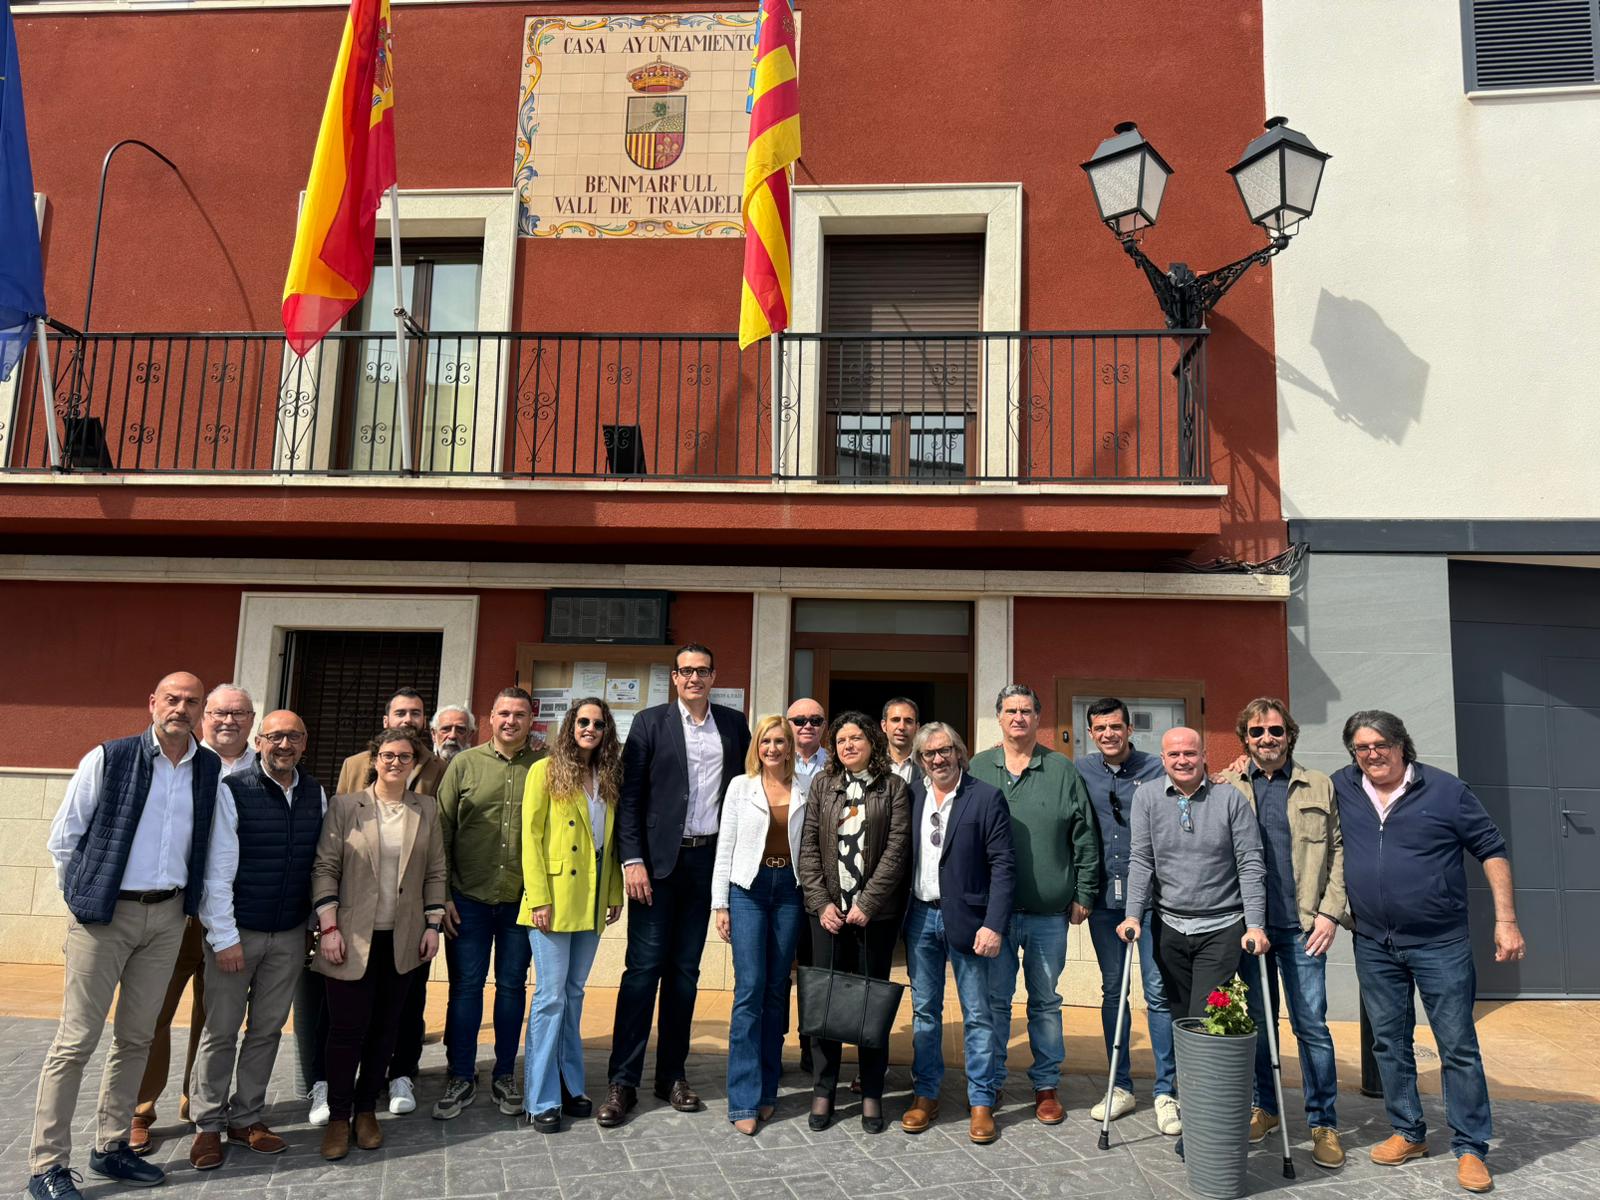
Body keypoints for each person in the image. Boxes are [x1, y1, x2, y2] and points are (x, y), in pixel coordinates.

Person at [30, 672, 220, 1200]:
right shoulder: (108, 757)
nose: (181, 708)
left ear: (202, 710)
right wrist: (87, 903)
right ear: (152, 703)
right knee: (76, 1041)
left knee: (137, 1037)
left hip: (167, 919)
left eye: (192, 702)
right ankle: (47, 1165)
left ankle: (111, 1146)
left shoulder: (207, 769)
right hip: (105, 918)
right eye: (172, 699)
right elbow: (64, 840)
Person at [1333, 710, 1523, 1196]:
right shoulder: (1343, 787)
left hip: (1440, 943)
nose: (1372, 754)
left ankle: (1471, 1147)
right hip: (1375, 942)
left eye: (1380, 744)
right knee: (1389, 1044)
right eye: (1361, 747)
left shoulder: (1445, 791)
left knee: (1457, 1045)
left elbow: (1492, 849)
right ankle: (1409, 1132)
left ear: (1401, 745)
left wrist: (1506, 921)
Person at [599, 644, 752, 1126]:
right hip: (656, 865)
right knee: (643, 971)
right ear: (673, 677)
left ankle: (671, 1076)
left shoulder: (733, 724)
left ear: (713, 676)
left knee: (686, 973)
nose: (693, 678)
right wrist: (632, 859)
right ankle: (622, 1081)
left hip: (706, 862)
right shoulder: (648, 723)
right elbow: (629, 798)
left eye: (702, 671)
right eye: (685, 671)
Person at [187, 710, 326, 1170]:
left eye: (294, 737)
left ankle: (247, 1118)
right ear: (259, 741)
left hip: (287, 934)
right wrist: (223, 936)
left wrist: (311, 925)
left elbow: (317, 865)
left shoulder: (316, 793)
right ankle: (207, 1124)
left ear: (305, 744)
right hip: (237, 932)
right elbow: (218, 870)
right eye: (276, 737)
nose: (285, 745)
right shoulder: (234, 791)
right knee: (221, 1030)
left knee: (266, 1031)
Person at [1218, 699, 1348, 1169]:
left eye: (1275, 731)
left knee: (1311, 1026)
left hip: (1303, 928)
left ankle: (1323, 1123)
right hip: (1249, 928)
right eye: (1256, 732)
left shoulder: (1319, 785)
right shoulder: (1226, 786)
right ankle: (1267, 1109)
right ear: (1244, 739)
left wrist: (1331, 914)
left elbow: (1338, 853)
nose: (1266, 739)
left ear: (1290, 734)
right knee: (1256, 1023)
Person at [131, 683, 258, 1156]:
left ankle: (198, 1101)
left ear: (252, 720)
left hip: (233, 918)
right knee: (153, 1012)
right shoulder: (183, 761)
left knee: (216, 1018)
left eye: (239, 713)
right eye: (220, 712)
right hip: (176, 912)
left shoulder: (264, 767)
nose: (229, 721)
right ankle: (140, 1110)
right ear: (205, 717)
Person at [311, 729, 447, 1161]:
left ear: (414, 763)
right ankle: (338, 1115)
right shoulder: (346, 806)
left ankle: (367, 1109)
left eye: (404, 756)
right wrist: (328, 927)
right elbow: (325, 867)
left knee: (385, 1030)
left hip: (403, 939)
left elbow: (436, 872)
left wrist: (433, 924)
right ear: (374, 759)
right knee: (345, 1030)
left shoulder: (426, 808)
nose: (395, 763)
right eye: (387, 755)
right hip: (349, 938)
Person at [969, 684, 1098, 1127]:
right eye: (1010, 710)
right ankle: (994, 1081)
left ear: (1038, 718)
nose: (1018, 717)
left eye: (1026, 710)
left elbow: (1083, 835)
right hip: (993, 918)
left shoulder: (1062, 770)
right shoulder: (977, 768)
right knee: (995, 1002)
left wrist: (1084, 892)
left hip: (1047, 915)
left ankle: (1046, 1086)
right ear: (999, 718)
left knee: (1045, 1002)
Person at [795, 711, 911, 1134]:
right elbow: (807, 847)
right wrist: (821, 901)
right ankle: (824, 1088)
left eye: (856, 738)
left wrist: (868, 902)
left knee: (869, 1006)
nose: (848, 746)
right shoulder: (823, 786)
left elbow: (897, 851)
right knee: (825, 1002)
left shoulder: (894, 788)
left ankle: (871, 1093)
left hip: (872, 917)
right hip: (825, 915)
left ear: (872, 743)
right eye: (841, 739)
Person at [433, 687, 545, 1121]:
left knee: (513, 988)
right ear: (489, 718)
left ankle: (504, 1074)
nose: (510, 722)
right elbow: (441, 832)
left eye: (519, 715)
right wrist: (440, 896)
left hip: (522, 900)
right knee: (465, 989)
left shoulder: (544, 764)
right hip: (468, 899)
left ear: (531, 720)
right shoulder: (464, 764)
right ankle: (461, 1074)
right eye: (502, 714)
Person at [901, 723, 1013, 1145]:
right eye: (929, 754)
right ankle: (926, 1093)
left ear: (960, 753)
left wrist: (994, 924)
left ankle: (981, 1100)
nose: (938, 759)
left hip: (970, 921)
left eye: (945, 750)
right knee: (925, 1011)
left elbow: (1004, 865)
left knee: (978, 1014)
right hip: (920, 917)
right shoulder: (911, 796)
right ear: (920, 760)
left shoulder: (985, 797)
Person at [519, 699, 624, 1133]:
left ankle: (570, 1085)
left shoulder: (609, 774)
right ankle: (539, 1097)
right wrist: (539, 897)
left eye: (598, 723)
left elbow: (612, 843)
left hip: (593, 896)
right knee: (549, 998)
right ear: (570, 725)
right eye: (583, 721)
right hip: (554, 898)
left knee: (575, 993)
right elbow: (531, 837)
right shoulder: (543, 771)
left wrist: (615, 891)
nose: (590, 728)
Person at [1074, 697, 1178, 1135]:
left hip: (1154, 901)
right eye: (1100, 728)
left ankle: (1166, 1091)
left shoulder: (1159, 768)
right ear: (1091, 732)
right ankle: (1120, 1085)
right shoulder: (1080, 770)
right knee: (1113, 992)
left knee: (1157, 993)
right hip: (1103, 901)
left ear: (1130, 728)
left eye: (1115, 726)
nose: (1108, 734)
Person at [1118, 727, 1268, 1021]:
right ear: (1163, 759)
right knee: (1180, 1014)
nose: (1182, 760)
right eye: (1174, 754)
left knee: (1206, 1013)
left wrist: (1255, 925)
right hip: (1169, 926)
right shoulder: (1146, 797)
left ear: (1203, 756)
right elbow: (1141, 859)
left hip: (1222, 926)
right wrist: (1132, 915)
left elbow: (1250, 862)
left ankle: (1205, 1068)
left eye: (1190, 753)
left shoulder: (1229, 798)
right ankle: (1187, 1069)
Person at [712, 715, 808, 1135]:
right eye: (766, 741)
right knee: (749, 990)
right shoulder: (740, 786)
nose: (773, 748)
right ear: (758, 746)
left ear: (790, 746)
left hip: (790, 890)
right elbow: (725, 846)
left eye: (780, 741)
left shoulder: (807, 787)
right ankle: (744, 1098)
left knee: (775, 990)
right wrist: (721, 904)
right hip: (747, 890)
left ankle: (769, 1089)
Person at [785, 698, 827, 1074]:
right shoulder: (773, 762)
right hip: (779, 880)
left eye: (815, 720)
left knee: (815, 970)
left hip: (821, 886)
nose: (806, 726)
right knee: (779, 967)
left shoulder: (838, 765)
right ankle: (773, 1042)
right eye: (799, 720)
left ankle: (811, 1045)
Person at [335, 688, 447, 796]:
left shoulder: (440, 768)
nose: (408, 719)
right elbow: (340, 812)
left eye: (415, 713)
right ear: (385, 721)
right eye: (400, 713)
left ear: (424, 721)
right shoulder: (353, 765)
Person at [787, 698, 829, 797]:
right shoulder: (777, 761)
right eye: (800, 721)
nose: (808, 726)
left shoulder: (836, 761)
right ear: (787, 726)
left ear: (823, 726)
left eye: (815, 720)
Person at [881, 697, 920, 784]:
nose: (901, 727)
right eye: (895, 720)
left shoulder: (927, 764)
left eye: (908, 721)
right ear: (884, 726)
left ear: (917, 728)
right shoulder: (871, 763)